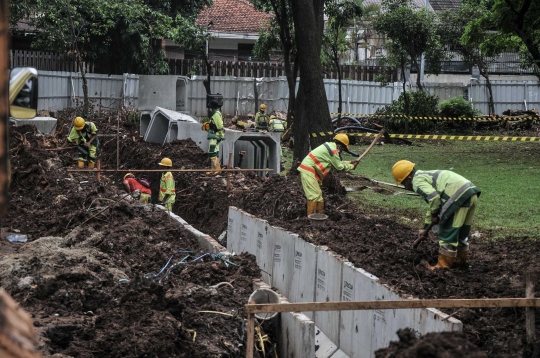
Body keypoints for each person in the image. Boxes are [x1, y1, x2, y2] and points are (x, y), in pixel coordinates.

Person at [392, 160, 481, 270]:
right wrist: (425, 228)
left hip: (456, 196)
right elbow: (432, 203)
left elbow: (434, 199)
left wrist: (435, 215)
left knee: (448, 230)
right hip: (470, 193)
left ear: (409, 178)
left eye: (403, 183)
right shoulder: (423, 175)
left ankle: (442, 267)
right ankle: (459, 261)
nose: (405, 187)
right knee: (462, 232)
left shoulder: (417, 182)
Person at [298, 134, 359, 215]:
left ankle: (318, 217)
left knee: (319, 196)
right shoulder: (333, 151)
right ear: (340, 146)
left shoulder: (331, 147)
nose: (342, 151)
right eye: (343, 149)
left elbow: (336, 162)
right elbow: (339, 167)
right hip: (308, 170)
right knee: (314, 196)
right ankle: (312, 219)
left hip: (311, 171)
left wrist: (349, 162)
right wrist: (351, 166)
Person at [202, 100, 225, 176]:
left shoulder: (216, 115)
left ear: (212, 108)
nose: (210, 109)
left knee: (212, 152)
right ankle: (214, 170)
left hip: (215, 136)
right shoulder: (216, 114)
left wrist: (221, 135)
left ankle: (217, 169)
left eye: (210, 108)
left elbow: (219, 126)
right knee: (215, 152)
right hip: (214, 135)